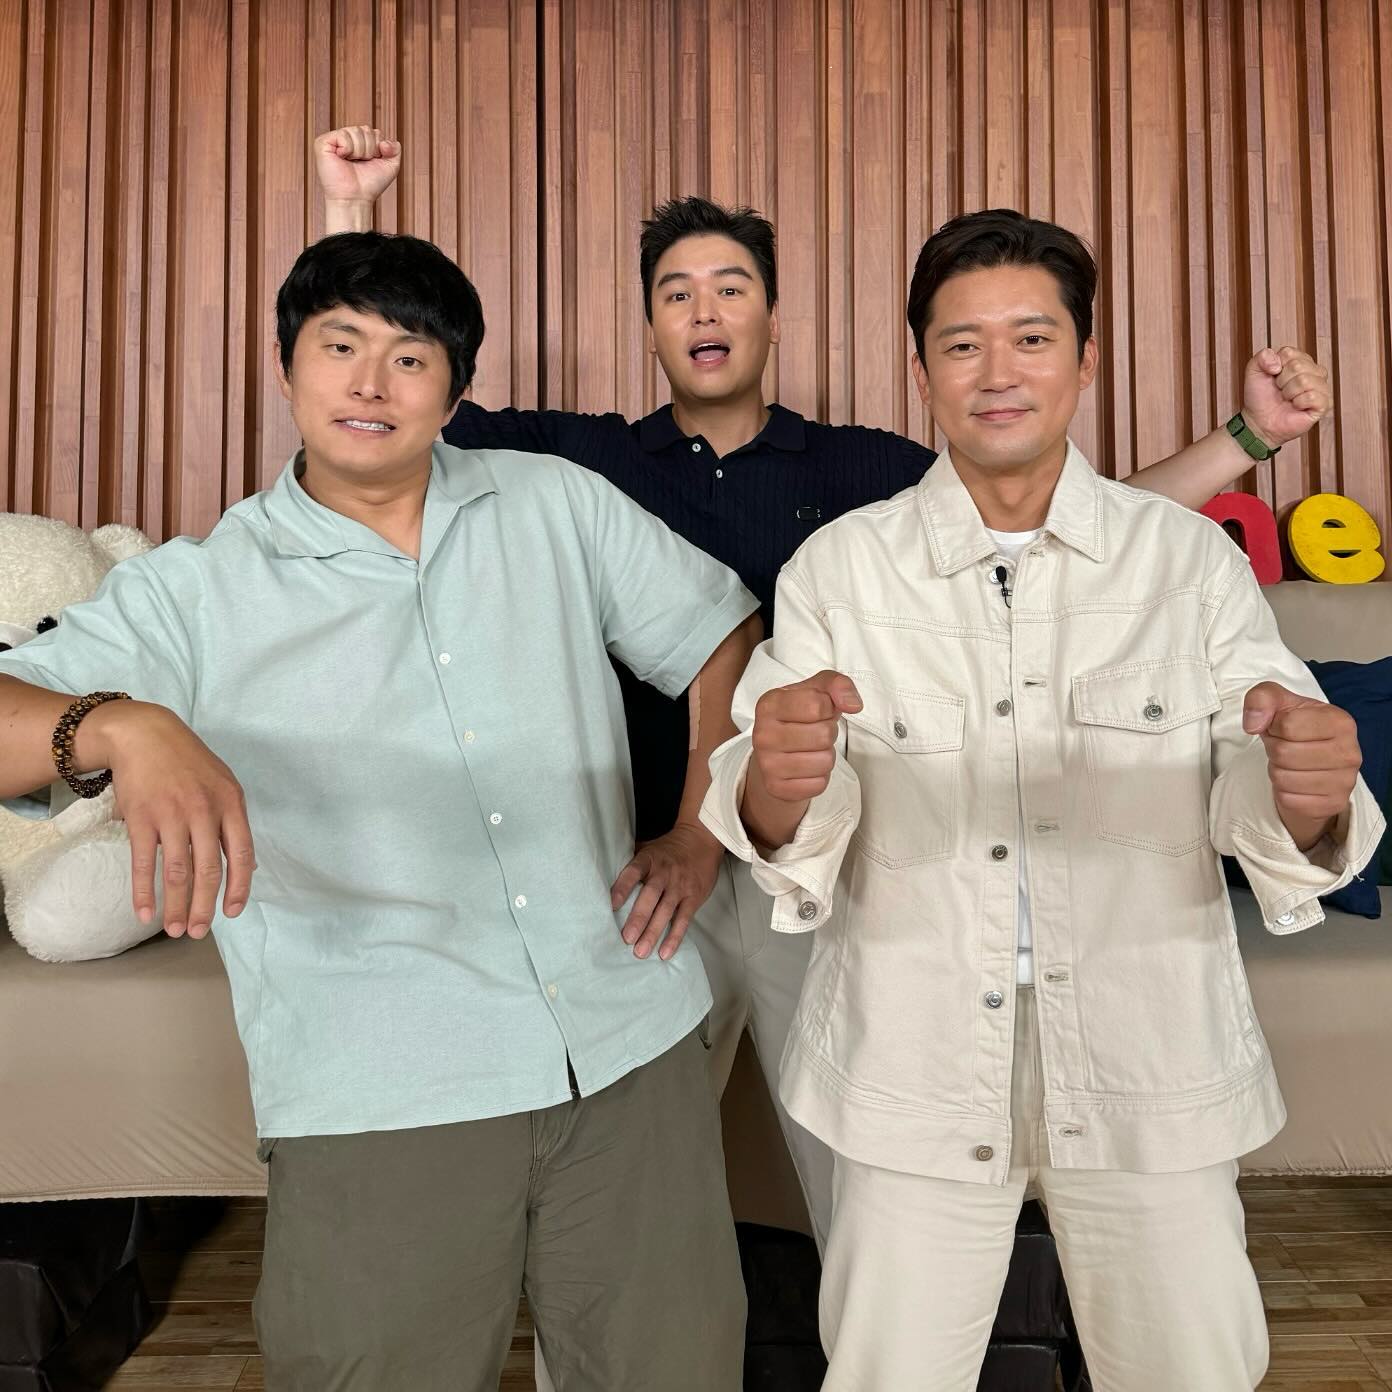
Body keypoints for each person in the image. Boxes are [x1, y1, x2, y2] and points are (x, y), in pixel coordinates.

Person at [315, 126, 1336, 1257]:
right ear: (649, 327)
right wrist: (351, 216)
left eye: (731, 287)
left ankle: (886, 1322)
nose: (704, 311)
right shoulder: (585, 461)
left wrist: (1249, 439)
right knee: (620, 1177)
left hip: (817, 857)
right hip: (644, 869)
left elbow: (1064, 516)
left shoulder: (862, 467)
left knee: (868, 1171)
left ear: (773, 318)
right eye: (675, 293)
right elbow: (387, 410)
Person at [0, 230, 761, 1392]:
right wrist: (116, 725)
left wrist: (700, 831)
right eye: (339, 346)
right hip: (383, 1083)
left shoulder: (555, 503)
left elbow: (719, 631)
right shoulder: (201, 588)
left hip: (624, 1043)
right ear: (284, 366)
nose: (370, 383)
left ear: (453, 392)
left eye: (409, 359)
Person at [699, 207, 1385, 1391]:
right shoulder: (843, 569)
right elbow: (774, 822)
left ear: (1085, 359)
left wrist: (1311, 799)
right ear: (922, 372)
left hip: (1149, 1050)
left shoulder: (1187, 564)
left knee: (1191, 1368)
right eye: (962, 345)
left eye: (1031, 338)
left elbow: (1261, 783)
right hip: (910, 1053)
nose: (998, 372)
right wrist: (775, 784)